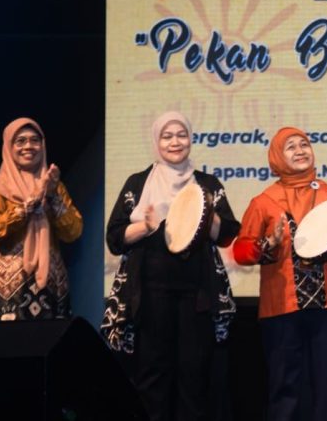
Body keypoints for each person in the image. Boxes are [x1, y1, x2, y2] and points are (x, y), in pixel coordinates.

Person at [101, 111, 240, 421]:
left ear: (190, 139)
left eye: (181, 135)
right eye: (167, 136)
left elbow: (228, 234)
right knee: (152, 377)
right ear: (156, 141)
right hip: (150, 296)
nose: (175, 142)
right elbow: (115, 238)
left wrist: (204, 212)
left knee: (194, 377)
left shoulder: (207, 184)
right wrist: (145, 226)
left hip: (198, 296)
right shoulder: (138, 184)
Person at [233, 127, 327, 420]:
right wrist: (269, 243)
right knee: (285, 390)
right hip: (282, 309)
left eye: (304, 144)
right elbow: (240, 251)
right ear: (277, 156)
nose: (300, 150)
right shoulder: (263, 201)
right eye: (290, 147)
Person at [0, 117, 82, 321]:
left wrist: (52, 197)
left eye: (35, 140)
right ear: (8, 147)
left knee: (52, 339)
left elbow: (73, 232)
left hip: (53, 284)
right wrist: (28, 205)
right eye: (20, 141)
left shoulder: (54, 185)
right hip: (10, 286)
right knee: (11, 340)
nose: (28, 146)